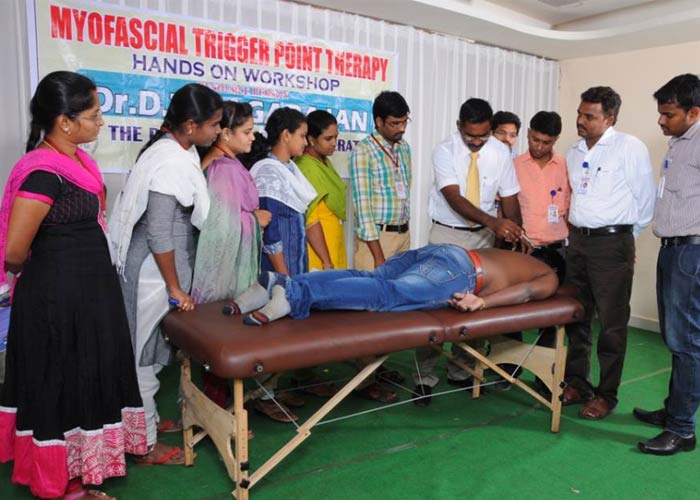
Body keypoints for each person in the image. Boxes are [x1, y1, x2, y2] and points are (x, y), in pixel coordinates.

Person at [0, 71, 146, 499]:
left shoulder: (78, 162)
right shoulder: (42, 173)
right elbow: (14, 251)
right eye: (94, 115)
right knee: (60, 380)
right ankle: (56, 481)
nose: (100, 122)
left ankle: (83, 465)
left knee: (87, 376)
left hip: (89, 294)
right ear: (65, 122)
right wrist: (57, 275)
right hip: (58, 298)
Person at [109, 83, 223, 464]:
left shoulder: (175, 150)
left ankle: (150, 421)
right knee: (143, 356)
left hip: (159, 268)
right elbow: (159, 232)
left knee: (155, 352)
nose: (218, 131)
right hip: (153, 273)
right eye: (214, 125)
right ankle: (142, 443)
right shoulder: (171, 161)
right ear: (190, 125)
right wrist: (174, 287)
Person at [418, 98, 524, 401]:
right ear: (458, 127)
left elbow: (510, 197)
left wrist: (514, 233)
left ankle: (462, 371)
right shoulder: (444, 150)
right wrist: (495, 222)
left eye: (483, 135)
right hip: (447, 234)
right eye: (470, 136)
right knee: (436, 304)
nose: (477, 142)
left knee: (476, 305)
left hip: (483, 239)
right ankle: (424, 377)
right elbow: (454, 197)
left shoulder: (500, 151)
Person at [562, 86, 656, 420]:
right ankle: (577, 383)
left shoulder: (629, 147)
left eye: (589, 116)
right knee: (577, 317)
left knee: (612, 324)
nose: (580, 120)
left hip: (612, 244)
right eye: (579, 113)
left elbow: (646, 201)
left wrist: (626, 241)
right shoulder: (573, 151)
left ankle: (606, 395)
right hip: (578, 242)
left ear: (609, 118)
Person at [227, 245, 558, 326]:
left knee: (373, 278)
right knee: (387, 296)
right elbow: (529, 292)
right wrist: (481, 302)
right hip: (461, 271)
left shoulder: (521, 257)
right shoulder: (549, 274)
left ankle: (282, 281)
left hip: (444, 251)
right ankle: (296, 294)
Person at [240, 107, 318, 422]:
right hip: (276, 269)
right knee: (271, 332)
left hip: (294, 264)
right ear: (286, 135)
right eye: (302, 135)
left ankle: (273, 387)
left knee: (286, 330)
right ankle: (262, 395)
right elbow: (269, 232)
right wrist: (283, 277)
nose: (306, 142)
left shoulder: (288, 169)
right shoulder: (268, 173)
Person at [636, 74, 700, 455]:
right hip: (673, 251)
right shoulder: (679, 144)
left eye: (669, 114)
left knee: (687, 343)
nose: (661, 120)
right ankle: (674, 410)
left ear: (694, 112)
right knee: (676, 339)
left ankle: (682, 430)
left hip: (691, 254)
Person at [191, 101, 270, 408]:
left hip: (227, 267)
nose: (253, 137)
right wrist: (255, 220)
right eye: (247, 131)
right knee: (220, 338)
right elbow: (220, 230)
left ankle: (223, 408)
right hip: (222, 273)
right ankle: (219, 412)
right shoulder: (223, 169)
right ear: (225, 133)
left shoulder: (226, 163)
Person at [350, 91, 412, 271]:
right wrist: (378, 257)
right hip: (377, 242)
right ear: (379, 122)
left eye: (405, 122)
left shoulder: (404, 148)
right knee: (373, 288)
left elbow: (406, 190)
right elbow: (363, 210)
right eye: (395, 123)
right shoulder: (364, 151)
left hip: (403, 236)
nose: (402, 128)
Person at [295, 110, 347, 270]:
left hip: (333, 241)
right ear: (311, 139)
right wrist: (326, 261)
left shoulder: (324, 162)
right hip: (319, 252)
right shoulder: (306, 167)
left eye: (336, 137)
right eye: (328, 138)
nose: (334, 143)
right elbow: (311, 219)